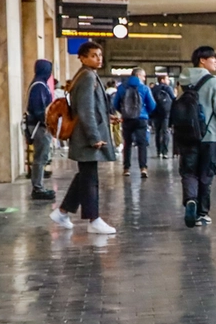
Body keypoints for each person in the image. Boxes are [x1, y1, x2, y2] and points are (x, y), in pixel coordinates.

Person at [51, 41, 118, 234]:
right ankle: (93, 219)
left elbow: (92, 107)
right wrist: (94, 137)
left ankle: (63, 212)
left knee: (85, 176)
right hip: (86, 136)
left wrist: (106, 117)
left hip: (84, 134)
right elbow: (86, 110)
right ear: (82, 57)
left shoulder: (86, 75)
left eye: (100, 55)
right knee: (89, 179)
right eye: (94, 55)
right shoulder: (88, 77)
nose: (99, 59)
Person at [179, 47, 216, 228]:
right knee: (206, 175)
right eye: (213, 58)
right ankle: (202, 213)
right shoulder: (214, 82)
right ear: (202, 60)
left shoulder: (182, 80)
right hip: (210, 136)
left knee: (188, 171)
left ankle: (190, 199)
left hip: (186, 135)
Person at [114, 69, 156, 178]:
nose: (144, 78)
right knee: (142, 144)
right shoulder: (144, 88)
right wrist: (145, 112)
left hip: (127, 119)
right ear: (138, 75)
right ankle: (143, 168)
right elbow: (152, 104)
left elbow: (115, 104)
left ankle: (126, 168)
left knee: (127, 143)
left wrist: (124, 112)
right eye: (143, 76)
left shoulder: (122, 87)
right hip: (141, 119)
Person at [25, 59, 56, 201]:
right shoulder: (39, 86)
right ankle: (37, 187)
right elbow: (38, 109)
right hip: (39, 126)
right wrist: (47, 122)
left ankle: (39, 185)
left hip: (39, 125)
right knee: (40, 157)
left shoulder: (40, 84)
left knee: (41, 156)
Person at [150, 74, 176, 159]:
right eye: (167, 79)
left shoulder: (153, 88)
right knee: (165, 131)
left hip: (156, 113)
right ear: (162, 80)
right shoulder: (168, 88)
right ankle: (165, 152)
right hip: (166, 113)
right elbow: (173, 98)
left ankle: (158, 151)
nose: (168, 81)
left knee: (157, 132)